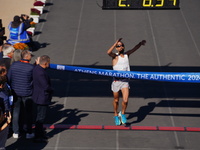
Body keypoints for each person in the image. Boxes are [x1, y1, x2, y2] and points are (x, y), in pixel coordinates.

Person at [107, 38, 146, 125]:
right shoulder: (115, 56)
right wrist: (114, 44)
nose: (120, 47)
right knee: (116, 100)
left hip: (124, 81)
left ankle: (123, 114)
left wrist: (140, 43)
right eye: (118, 46)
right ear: (116, 48)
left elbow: (134, 49)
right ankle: (115, 114)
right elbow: (108, 52)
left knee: (125, 100)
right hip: (116, 82)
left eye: (122, 45)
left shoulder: (126, 55)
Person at [7, 50, 36, 139]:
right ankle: (28, 132)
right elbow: (34, 80)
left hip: (15, 92)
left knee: (16, 112)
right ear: (27, 56)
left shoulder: (14, 65)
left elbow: (9, 79)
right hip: (27, 93)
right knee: (28, 112)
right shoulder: (31, 68)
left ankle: (16, 132)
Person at [32, 55, 53, 142]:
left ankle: (40, 133)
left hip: (38, 96)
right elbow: (45, 86)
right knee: (40, 117)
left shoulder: (36, 68)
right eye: (48, 63)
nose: (49, 64)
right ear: (45, 63)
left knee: (40, 116)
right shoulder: (41, 73)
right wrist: (52, 90)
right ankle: (38, 136)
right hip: (42, 98)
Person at [0, 75, 12, 150]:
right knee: (2, 142)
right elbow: (7, 108)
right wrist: (8, 121)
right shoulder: (4, 96)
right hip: (2, 119)